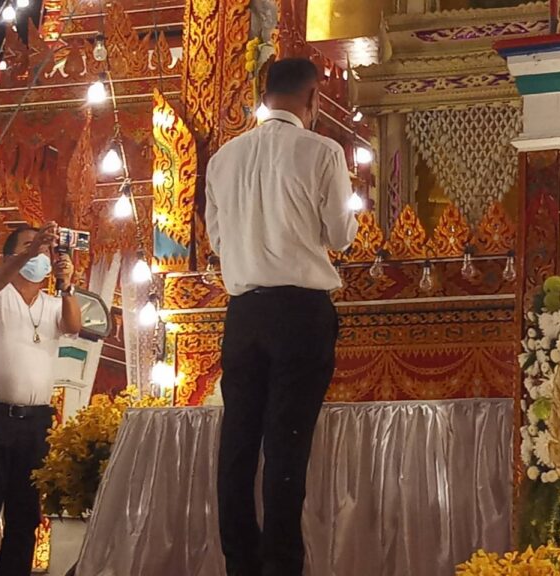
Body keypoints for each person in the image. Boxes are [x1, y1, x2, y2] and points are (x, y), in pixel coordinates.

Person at [205, 58, 358, 576]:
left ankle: (240, 563)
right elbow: (340, 235)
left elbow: (217, 241)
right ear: (313, 98)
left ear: (264, 93)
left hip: (243, 312)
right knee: (286, 444)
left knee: (238, 443)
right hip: (299, 312)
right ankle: (281, 565)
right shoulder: (322, 151)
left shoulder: (224, 158)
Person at [0, 222, 81, 576]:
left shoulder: (52, 304)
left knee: (25, 514)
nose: (40, 252)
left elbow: (73, 326)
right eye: (30, 246)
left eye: (44, 248)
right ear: (10, 255)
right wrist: (29, 251)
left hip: (35, 422)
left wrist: (67, 285)